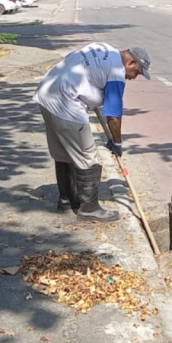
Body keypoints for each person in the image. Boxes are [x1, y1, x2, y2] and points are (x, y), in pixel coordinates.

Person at [33, 43, 151, 221]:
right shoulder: (116, 72)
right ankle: (89, 208)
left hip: (46, 94)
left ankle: (67, 199)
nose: (134, 78)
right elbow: (113, 116)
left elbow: (76, 62)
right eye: (137, 72)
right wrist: (116, 143)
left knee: (65, 153)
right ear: (131, 63)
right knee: (89, 157)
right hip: (66, 104)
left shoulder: (103, 48)